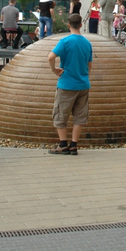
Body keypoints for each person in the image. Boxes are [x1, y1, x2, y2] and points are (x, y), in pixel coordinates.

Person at [47, 13, 92, 156]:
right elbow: (89, 65)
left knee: (61, 115)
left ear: (68, 25)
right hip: (83, 85)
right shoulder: (87, 43)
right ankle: (74, 145)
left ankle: (63, 145)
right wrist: (84, 77)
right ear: (81, 25)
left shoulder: (65, 41)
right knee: (80, 116)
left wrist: (54, 70)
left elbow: (50, 57)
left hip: (66, 84)